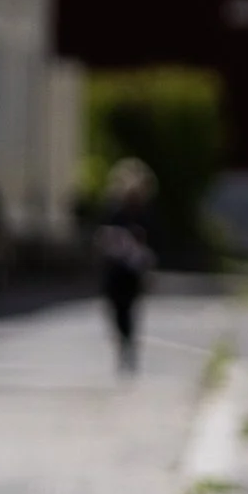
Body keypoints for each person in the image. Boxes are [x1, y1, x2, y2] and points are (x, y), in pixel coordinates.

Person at [95, 158, 158, 374]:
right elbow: (103, 236)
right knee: (115, 311)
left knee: (130, 311)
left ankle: (128, 346)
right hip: (114, 270)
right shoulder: (114, 212)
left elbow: (151, 243)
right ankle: (122, 343)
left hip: (132, 273)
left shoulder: (144, 214)